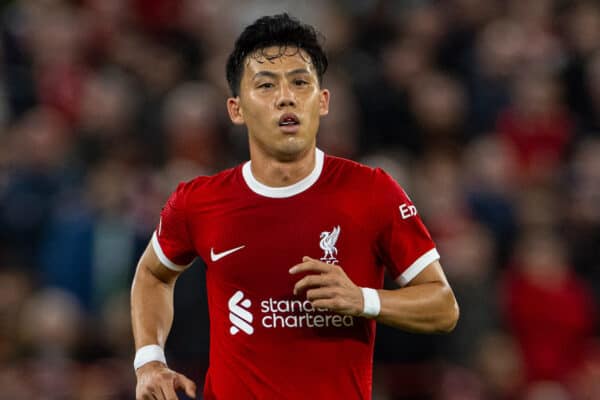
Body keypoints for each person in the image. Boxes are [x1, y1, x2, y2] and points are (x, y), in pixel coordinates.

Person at [131, 13, 459, 400]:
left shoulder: (372, 192)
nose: (286, 96)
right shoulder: (198, 201)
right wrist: (149, 360)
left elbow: (443, 306)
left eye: (300, 82)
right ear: (236, 110)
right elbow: (152, 275)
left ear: (322, 102)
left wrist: (364, 299)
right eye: (266, 85)